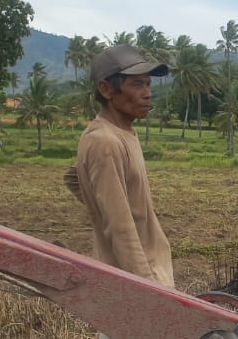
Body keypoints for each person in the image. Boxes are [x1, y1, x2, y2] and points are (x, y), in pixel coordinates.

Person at [66, 43, 173, 289]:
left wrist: (101, 203)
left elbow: (72, 177)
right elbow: (120, 227)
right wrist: (148, 289)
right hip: (138, 278)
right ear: (106, 89)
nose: (147, 93)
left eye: (148, 84)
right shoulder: (105, 142)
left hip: (152, 266)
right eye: (137, 84)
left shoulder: (122, 133)